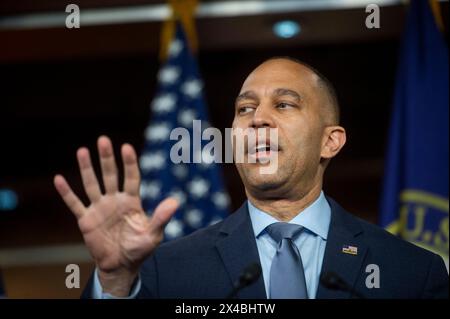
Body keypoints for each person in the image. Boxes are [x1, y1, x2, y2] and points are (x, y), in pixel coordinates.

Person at [54, 57, 448, 299]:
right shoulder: (164, 271)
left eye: (284, 104)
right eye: (244, 109)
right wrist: (116, 280)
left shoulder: (411, 272)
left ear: (331, 141)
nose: (257, 118)